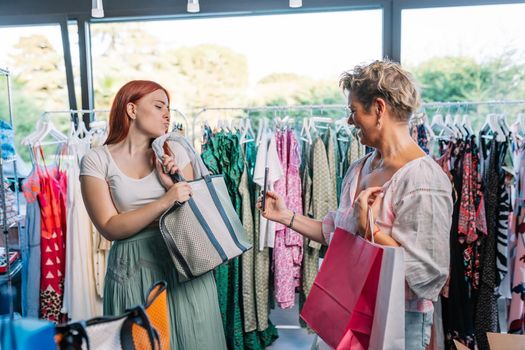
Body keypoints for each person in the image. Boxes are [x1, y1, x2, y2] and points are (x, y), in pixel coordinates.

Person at [257, 60, 453, 349]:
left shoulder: (424, 181)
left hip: (397, 320)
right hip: (348, 309)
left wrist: (370, 229)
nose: (349, 121)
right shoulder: (360, 167)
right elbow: (336, 231)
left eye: (353, 111)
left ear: (378, 108)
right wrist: (285, 216)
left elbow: (427, 277)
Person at [80, 80, 226, 349]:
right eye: (159, 106)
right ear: (132, 109)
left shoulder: (176, 151)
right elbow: (109, 226)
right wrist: (165, 200)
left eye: (169, 108)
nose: (167, 114)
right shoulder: (96, 160)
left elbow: (194, 221)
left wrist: (174, 184)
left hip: (183, 266)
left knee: (196, 339)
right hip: (131, 271)